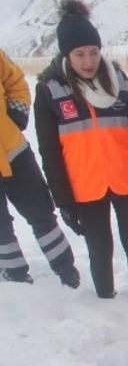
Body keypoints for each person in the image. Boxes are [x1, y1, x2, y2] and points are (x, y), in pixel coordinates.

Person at [34, 0, 128, 300]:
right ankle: (106, 300)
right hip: (85, 185)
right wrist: (64, 201)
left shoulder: (119, 81)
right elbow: (49, 154)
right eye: (80, 54)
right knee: (100, 248)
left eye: (94, 52)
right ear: (66, 54)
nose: (88, 61)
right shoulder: (49, 90)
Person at [0, 48, 78, 287]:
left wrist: (17, 113)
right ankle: (16, 276)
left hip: (14, 152)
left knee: (41, 213)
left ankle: (68, 273)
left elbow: (15, 80)